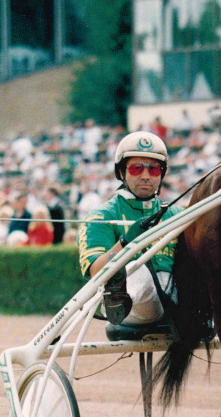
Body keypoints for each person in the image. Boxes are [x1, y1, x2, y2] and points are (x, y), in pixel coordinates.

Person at [78, 131, 183, 326]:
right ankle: (118, 299)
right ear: (121, 173)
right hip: (136, 307)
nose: (145, 176)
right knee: (139, 271)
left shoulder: (179, 215)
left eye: (153, 169)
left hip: (178, 300)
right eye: (136, 168)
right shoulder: (101, 216)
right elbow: (95, 272)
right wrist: (125, 243)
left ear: (162, 174)